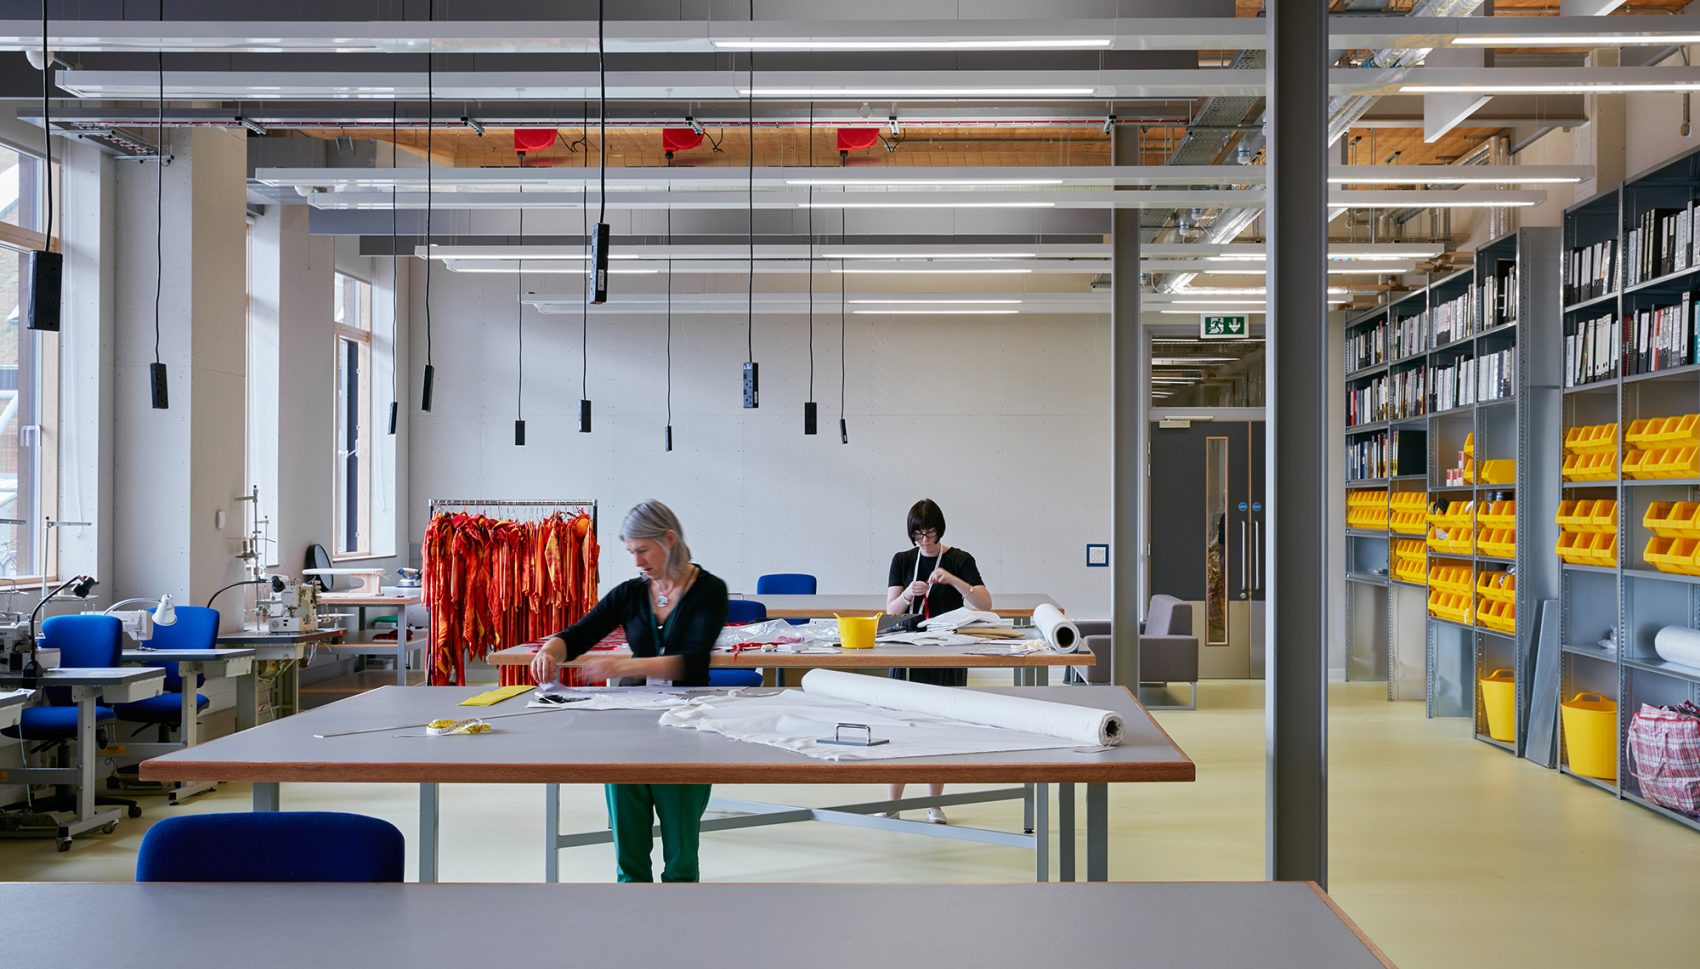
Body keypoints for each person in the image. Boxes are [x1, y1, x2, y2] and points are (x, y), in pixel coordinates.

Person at [530, 499, 728, 883]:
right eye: (630, 552)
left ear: (668, 540)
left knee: (682, 853)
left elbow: (692, 660)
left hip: (687, 727)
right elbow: (580, 633)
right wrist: (550, 649)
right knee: (628, 849)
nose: (637, 561)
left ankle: (679, 916)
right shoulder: (630, 594)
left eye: (643, 550)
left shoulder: (710, 590)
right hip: (629, 730)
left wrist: (622, 665)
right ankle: (632, 914)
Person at [880, 498, 993, 823]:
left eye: (930, 533)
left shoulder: (959, 559)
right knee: (900, 725)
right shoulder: (903, 560)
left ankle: (934, 804)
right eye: (918, 535)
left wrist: (954, 580)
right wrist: (907, 595)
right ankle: (892, 803)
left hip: (947, 652)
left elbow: (984, 604)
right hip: (908, 650)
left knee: (942, 727)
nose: (925, 541)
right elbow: (891, 611)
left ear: (939, 530)